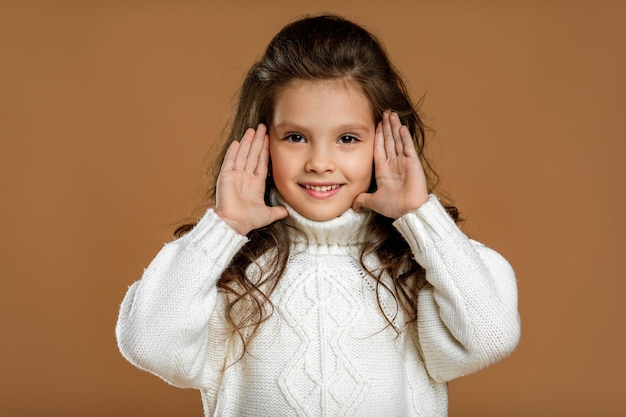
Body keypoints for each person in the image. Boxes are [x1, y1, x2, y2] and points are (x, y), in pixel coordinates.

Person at [116, 14, 520, 417]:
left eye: (347, 139)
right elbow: (149, 343)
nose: (321, 162)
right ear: (261, 140)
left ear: (385, 140)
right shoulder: (233, 271)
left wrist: (418, 216)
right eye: (295, 137)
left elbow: (491, 335)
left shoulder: (415, 266)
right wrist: (224, 227)